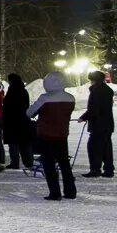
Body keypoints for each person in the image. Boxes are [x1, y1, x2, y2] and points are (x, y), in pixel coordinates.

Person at [27, 71, 76, 200]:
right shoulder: (70, 98)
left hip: (46, 135)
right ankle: (70, 191)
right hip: (62, 134)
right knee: (64, 163)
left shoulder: (45, 98)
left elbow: (30, 113)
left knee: (49, 164)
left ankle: (55, 192)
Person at [79, 70, 115, 178]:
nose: (90, 82)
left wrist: (83, 117)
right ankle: (108, 169)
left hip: (98, 124)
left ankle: (95, 169)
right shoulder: (107, 89)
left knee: (94, 147)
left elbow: (94, 109)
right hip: (107, 123)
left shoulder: (97, 91)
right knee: (106, 147)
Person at [3, 74, 35, 170]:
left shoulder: (12, 90)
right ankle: (29, 162)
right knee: (25, 143)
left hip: (12, 121)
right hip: (24, 120)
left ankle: (15, 163)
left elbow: (7, 105)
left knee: (13, 144)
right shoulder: (24, 90)